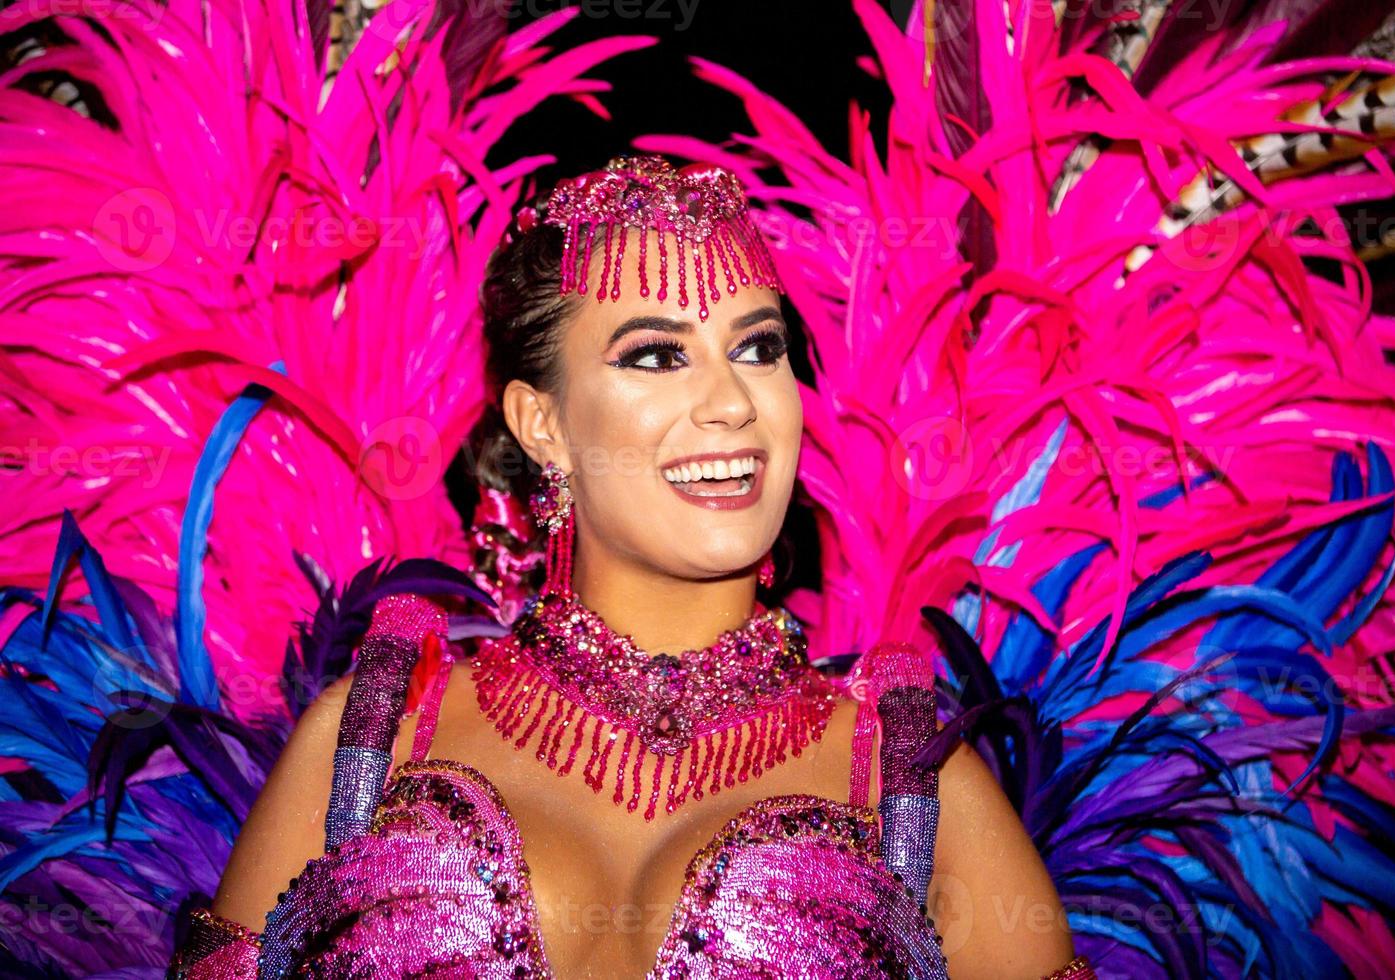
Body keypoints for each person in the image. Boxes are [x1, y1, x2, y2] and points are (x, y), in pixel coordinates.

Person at [177, 154, 1092, 978]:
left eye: (758, 348)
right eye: (655, 356)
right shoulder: (368, 743)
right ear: (543, 426)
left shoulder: (912, 779)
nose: (732, 402)